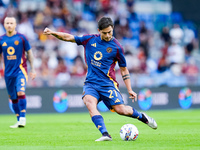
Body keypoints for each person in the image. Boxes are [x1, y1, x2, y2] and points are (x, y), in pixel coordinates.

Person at [43, 16, 157, 141]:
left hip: (108, 85)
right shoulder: (89, 40)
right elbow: (69, 37)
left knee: (121, 110)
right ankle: (105, 134)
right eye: (105, 33)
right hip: (91, 83)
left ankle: (142, 117)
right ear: (99, 30)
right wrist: (53, 33)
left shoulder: (117, 47)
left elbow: (124, 69)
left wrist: (129, 89)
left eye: (110, 32)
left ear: (113, 29)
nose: (108, 35)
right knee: (90, 103)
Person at [0, 16, 36, 128]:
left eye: (11, 23)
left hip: (21, 70)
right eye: (7, 23)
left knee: (21, 92)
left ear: (15, 25)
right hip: (8, 73)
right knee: (13, 97)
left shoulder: (22, 38)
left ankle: (23, 118)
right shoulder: (1, 40)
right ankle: (18, 119)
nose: (9, 25)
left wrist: (33, 69)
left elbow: (29, 53)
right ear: (4, 25)